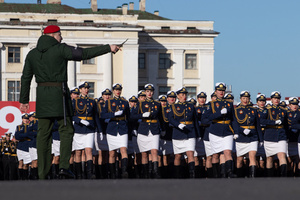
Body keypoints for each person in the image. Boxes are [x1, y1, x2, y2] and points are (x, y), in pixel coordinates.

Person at [19, 25, 120, 179]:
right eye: (59, 34)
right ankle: (64, 167)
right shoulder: (60, 49)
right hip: (59, 95)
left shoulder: (32, 54)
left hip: (42, 97)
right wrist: (108, 47)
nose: (61, 37)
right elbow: (84, 53)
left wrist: (24, 100)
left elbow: (25, 77)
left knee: (43, 134)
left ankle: (42, 173)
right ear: (53, 35)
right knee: (66, 129)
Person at [131, 84, 162, 178]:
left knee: (154, 151)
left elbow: (160, 117)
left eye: (151, 91)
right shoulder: (140, 104)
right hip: (143, 130)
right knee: (144, 153)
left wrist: (163, 129)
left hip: (154, 130)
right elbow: (132, 116)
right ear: (145, 92)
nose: (149, 93)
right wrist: (142, 115)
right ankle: (145, 174)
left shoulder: (157, 104)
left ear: (153, 92)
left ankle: (155, 172)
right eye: (147, 91)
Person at [206, 82, 236, 178]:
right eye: (219, 90)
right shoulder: (211, 104)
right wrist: (219, 113)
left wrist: (236, 131)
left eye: (223, 90)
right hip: (215, 131)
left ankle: (229, 172)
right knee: (215, 155)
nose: (221, 92)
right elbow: (206, 118)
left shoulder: (229, 104)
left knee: (227, 152)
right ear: (216, 91)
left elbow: (233, 119)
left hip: (227, 131)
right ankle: (216, 174)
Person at [168, 87, 198, 178]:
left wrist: (198, 134)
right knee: (178, 155)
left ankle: (192, 174)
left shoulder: (191, 106)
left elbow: (195, 120)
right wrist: (178, 125)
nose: (184, 96)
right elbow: (170, 119)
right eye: (182, 95)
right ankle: (177, 174)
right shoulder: (173, 106)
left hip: (190, 132)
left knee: (190, 154)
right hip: (178, 133)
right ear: (178, 96)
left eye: (185, 94)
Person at [72, 81, 100, 179]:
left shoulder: (92, 101)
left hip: (90, 128)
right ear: (80, 90)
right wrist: (80, 121)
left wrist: (99, 130)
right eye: (84, 88)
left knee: (89, 150)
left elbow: (96, 116)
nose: (86, 90)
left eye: (88, 88)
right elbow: (71, 115)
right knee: (78, 152)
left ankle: (89, 173)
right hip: (79, 128)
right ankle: (79, 174)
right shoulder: (75, 101)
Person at [102, 83, 130, 179]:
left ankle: (124, 171)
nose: (118, 91)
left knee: (123, 150)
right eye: (116, 90)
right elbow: (103, 115)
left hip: (122, 128)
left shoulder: (125, 102)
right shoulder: (109, 102)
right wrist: (113, 114)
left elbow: (128, 116)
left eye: (119, 89)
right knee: (112, 153)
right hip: (112, 128)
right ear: (113, 91)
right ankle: (113, 174)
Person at [232, 91, 263, 178]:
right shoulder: (236, 110)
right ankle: (239, 176)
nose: (245, 100)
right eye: (244, 98)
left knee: (252, 156)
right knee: (240, 159)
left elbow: (257, 125)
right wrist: (241, 130)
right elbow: (234, 124)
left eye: (247, 98)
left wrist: (261, 139)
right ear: (241, 99)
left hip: (253, 136)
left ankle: (252, 177)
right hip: (241, 137)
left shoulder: (254, 110)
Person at [260, 91, 288, 177]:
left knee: (282, 155)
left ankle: (284, 176)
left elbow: (286, 124)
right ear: (271, 99)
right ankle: (270, 177)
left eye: (278, 98)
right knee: (269, 158)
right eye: (275, 98)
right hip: (270, 135)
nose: (276, 100)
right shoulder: (266, 110)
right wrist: (273, 122)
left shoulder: (283, 110)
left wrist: (287, 136)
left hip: (281, 136)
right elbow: (262, 121)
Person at [95, 88, 112, 179]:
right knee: (100, 153)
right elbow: (97, 117)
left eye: (109, 95)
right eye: (105, 95)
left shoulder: (112, 105)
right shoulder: (98, 105)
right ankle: (100, 173)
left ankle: (106, 172)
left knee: (107, 153)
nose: (107, 96)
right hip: (100, 129)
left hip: (109, 130)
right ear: (102, 96)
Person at [194, 92, 208, 178]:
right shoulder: (195, 109)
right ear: (198, 99)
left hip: (206, 133)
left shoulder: (208, 108)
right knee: (196, 156)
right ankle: (197, 175)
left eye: (204, 98)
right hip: (198, 133)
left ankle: (206, 174)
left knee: (207, 156)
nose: (202, 100)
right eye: (200, 98)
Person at [15, 113, 31, 180]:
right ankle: (20, 178)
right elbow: (17, 136)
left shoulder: (30, 126)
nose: (26, 120)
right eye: (25, 119)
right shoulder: (18, 127)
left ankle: (25, 177)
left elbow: (30, 135)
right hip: (20, 146)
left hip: (27, 146)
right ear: (22, 119)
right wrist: (26, 135)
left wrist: (22, 135)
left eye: (27, 119)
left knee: (26, 163)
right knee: (20, 163)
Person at [286, 97, 300, 176]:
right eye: (293, 104)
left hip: (297, 139)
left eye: (296, 104)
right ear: (289, 105)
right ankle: (289, 174)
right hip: (288, 139)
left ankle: (297, 175)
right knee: (289, 160)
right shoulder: (286, 113)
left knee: (298, 159)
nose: (295, 106)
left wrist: (295, 126)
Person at [255, 94, 267, 177]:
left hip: (265, 135)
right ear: (257, 102)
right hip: (257, 135)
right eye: (260, 101)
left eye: (263, 101)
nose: (262, 103)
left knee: (263, 159)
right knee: (255, 158)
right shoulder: (254, 110)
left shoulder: (268, 111)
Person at [27, 111, 38, 179]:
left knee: (37, 160)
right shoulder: (32, 123)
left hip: (38, 142)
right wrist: (37, 133)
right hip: (33, 143)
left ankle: (35, 174)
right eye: (33, 117)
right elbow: (28, 133)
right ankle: (34, 175)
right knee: (34, 160)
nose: (34, 118)